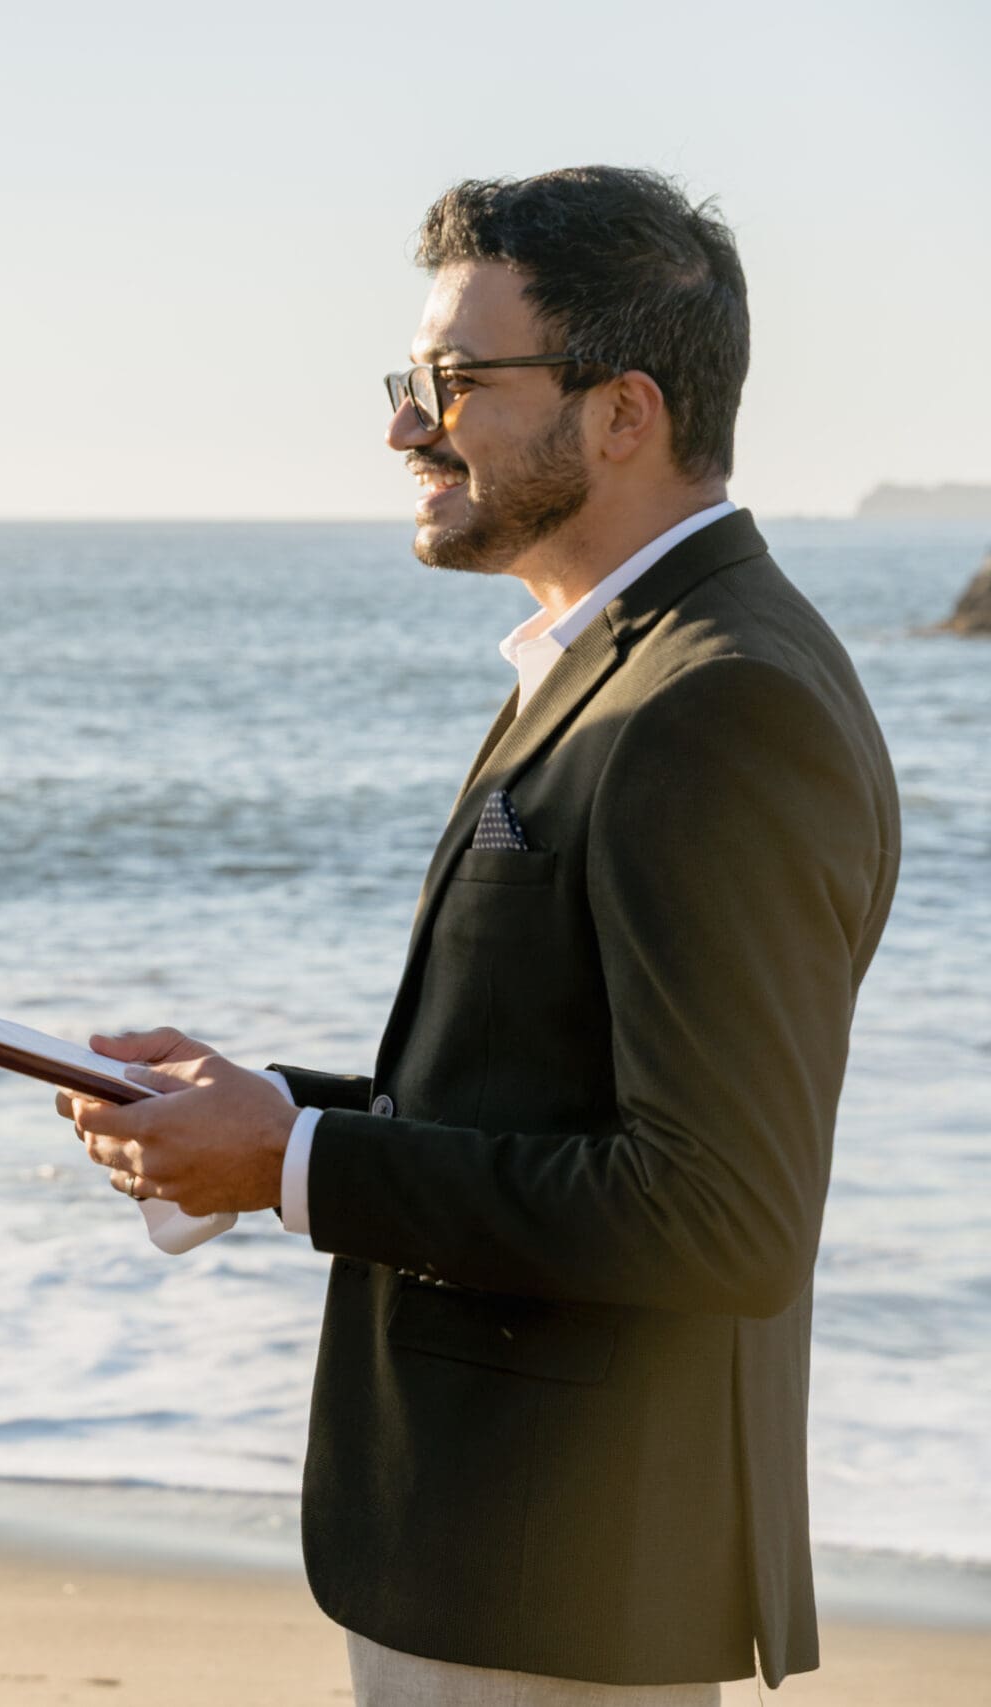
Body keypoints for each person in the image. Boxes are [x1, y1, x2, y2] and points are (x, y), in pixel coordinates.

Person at [60, 167, 899, 1701]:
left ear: (623, 411)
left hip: (567, 1577)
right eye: (411, 381)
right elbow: (534, 1095)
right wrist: (259, 1117)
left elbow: (721, 1209)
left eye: (453, 382)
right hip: (497, 1551)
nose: (404, 426)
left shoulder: (722, 700)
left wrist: (294, 1165)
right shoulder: (612, 664)